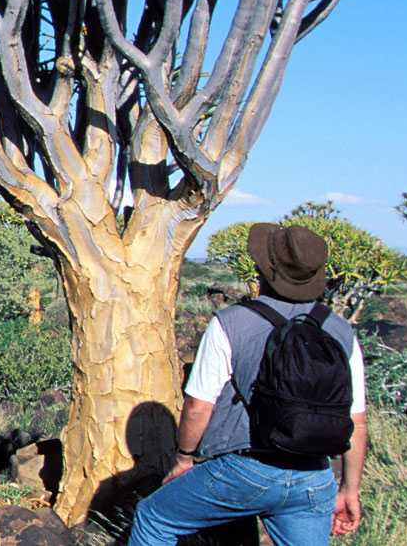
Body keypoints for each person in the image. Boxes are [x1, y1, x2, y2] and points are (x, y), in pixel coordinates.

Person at [128, 224, 367, 545]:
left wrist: (184, 459)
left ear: (263, 271)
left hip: (245, 470)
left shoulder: (230, 323)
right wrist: (350, 490)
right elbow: (357, 421)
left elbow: (198, 406)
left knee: (153, 518)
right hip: (313, 477)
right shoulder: (340, 331)